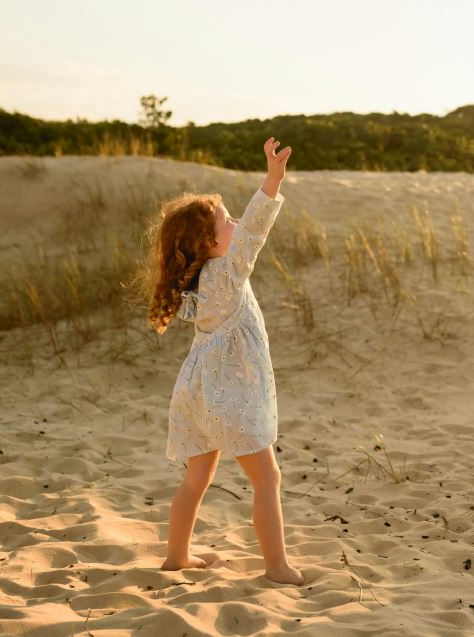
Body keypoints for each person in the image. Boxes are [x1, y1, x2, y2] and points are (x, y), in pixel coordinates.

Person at [146, 137, 303, 585]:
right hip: (230, 396)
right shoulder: (230, 271)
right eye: (225, 219)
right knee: (267, 479)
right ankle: (276, 566)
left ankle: (177, 557)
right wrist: (272, 180)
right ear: (211, 242)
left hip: (195, 393)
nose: (234, 221)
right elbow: (254, 229)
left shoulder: (195, 283)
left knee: (197, 477)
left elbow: (243, 229)